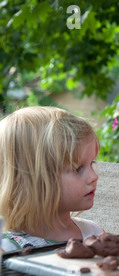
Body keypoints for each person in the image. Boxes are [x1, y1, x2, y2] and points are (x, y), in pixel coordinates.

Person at [0, 107, 103, 252]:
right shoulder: (7, 249)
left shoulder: (93, 233)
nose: (94, 177)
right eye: (77, 169)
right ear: (29, 180)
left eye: (92, 163)